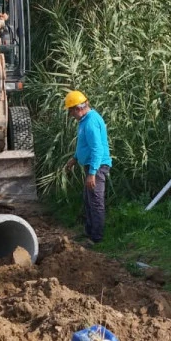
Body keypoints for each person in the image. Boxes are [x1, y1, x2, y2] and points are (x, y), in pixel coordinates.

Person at [63, 90, 112, 244]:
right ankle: (89, 232)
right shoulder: (84, 120)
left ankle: (96, 238)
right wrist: (75, 158)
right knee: (88, 200)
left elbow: (97, 149)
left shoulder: (90, 122)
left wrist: (92, 174)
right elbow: (84, 145)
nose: (71, 116)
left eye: (71, 112)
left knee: (96, 202)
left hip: (96, 167)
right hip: (91, 166)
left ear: (78, 108)